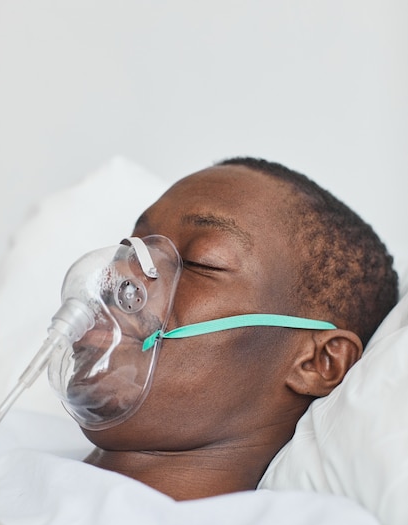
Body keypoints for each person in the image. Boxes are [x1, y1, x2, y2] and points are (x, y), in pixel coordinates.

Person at [82, 157, 398, 501]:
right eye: (134, 250)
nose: (125, 279)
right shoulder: (17, 446)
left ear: (317, 361)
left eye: (200, 262)